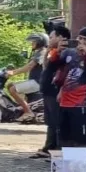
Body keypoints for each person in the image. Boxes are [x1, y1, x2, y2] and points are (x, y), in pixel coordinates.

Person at [50, 27, 86, 149]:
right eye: (80, 38)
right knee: (64, 139)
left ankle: (79, 166)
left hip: (82, 105)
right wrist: (55, 52)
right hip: (64, 102)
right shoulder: (69, 52)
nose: (81, 42)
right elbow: (54, 68)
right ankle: (68, 165)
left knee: (80, 141)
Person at [33, 24, 71, 158]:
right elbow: (45, 66)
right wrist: (49, 48)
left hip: (56, 91)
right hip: (49, 90)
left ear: (60, 37)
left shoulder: (65, 52)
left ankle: (57, 151)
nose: (49, 39)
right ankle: (49, 148)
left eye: (51, 37)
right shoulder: (53, 51)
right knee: (51, 121)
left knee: (57, 121)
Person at [5, 33, 49, 122]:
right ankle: (22, 108)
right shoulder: (38, 52)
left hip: (37, 82)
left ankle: (28, 112)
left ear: (40, 42)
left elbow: (29, 67)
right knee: (10, 85)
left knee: (13, 89)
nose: (32, 43)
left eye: (34, 42)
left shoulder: (42, 52)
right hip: (34, 80)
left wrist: (13, 72)